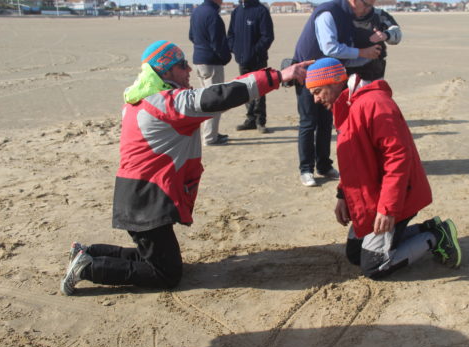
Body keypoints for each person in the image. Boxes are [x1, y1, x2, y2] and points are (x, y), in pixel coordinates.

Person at [60, 40, 312, 296]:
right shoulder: (168, 104)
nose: (189, 69)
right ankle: (88, 268)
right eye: (181, 65)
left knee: (156, 255)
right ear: (165, 72)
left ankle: (88, 252)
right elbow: (222, 94)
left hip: (136, 193)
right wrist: (279, 76)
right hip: (148, 200)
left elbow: (219, 92)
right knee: (166, 275)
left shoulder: (139, 100)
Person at [304, 58, 462, 279]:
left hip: (397, 197)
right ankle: (424, 229)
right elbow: (353, 160)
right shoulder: (346, 106)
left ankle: (437, 234)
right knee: (355, 254)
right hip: (372, 196)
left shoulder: (374, 103)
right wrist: (343, 196)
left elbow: (398, 157)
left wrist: (387, 209)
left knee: (375, 267)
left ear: (334, 81)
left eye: (318, 91)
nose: (315, 99)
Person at [292, 0, 382, 187]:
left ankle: (324, 165)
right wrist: (363, 53)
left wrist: (369, 58)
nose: (368, 9)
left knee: (326, 122)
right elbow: (330, 48)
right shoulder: (328, 12)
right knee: (308, 123)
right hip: (307, 77)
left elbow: (342, 57)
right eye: (366, 5)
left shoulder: (348, 16)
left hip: (329, 80)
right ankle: (306, 169)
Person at [227, 0, 274, 134]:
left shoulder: (261, 10)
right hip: (242, 60)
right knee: (245, 90)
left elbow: (267, 36)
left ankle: (260, 121)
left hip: (258, 60)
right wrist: (234, 49)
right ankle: (250, 120)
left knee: (260, 90)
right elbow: (230, 35)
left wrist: (254, 51)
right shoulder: (236, 11)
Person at [189, 0, 232, 146]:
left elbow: (192, 36)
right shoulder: (213, 15)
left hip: (199, 60)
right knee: (215, 100)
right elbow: (218, 43)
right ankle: (209, 137)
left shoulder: (197, 11)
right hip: (211, 62)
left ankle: (211, 133)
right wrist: (226, 58)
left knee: (206, 99)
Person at [348, 6, 402, 80]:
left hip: (374, 70)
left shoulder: (379, 14)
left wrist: (386, 35)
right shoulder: (342, 14)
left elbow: (397, 33)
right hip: (346, 68)